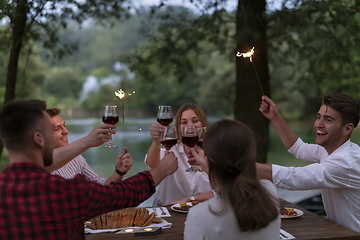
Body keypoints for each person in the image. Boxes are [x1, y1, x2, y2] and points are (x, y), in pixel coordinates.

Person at [0, 99, 178, 240]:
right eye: (51, 130)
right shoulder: (65, 191)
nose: (65, 132)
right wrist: (161, 171)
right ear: (39, 139)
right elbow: (123, 194)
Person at [257, 94, 360, 233]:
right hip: (340, 232)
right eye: (319, 117)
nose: (319, 124)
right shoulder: (331, 149)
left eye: (328, 120)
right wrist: (275, 117)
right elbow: (299, 149)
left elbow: (294, 178)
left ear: (347, 129)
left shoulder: (345, 162)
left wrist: (238, 164)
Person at [184, 119, 280, 240]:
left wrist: (211, 167)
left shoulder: (200, 215)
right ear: (253, 153)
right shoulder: (270, 192)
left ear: (209, 159)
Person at [145, 103, 213, 206]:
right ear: (178, 127)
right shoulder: (171, 148)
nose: (190, 126)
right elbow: (153, 165)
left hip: (201, 210)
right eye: (184, 122)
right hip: (167, 209)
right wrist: (156, 141)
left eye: (195, 121)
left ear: (203, 124)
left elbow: (223, 191)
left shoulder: (215, 152)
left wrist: (190, 199)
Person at [46, 108, 131, 184]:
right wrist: (88, 141)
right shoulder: (37, 164)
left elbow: (101, 185)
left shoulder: (76, 157)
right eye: (57, 128)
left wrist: (119, 171)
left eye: (64, 125)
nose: (66, 131)